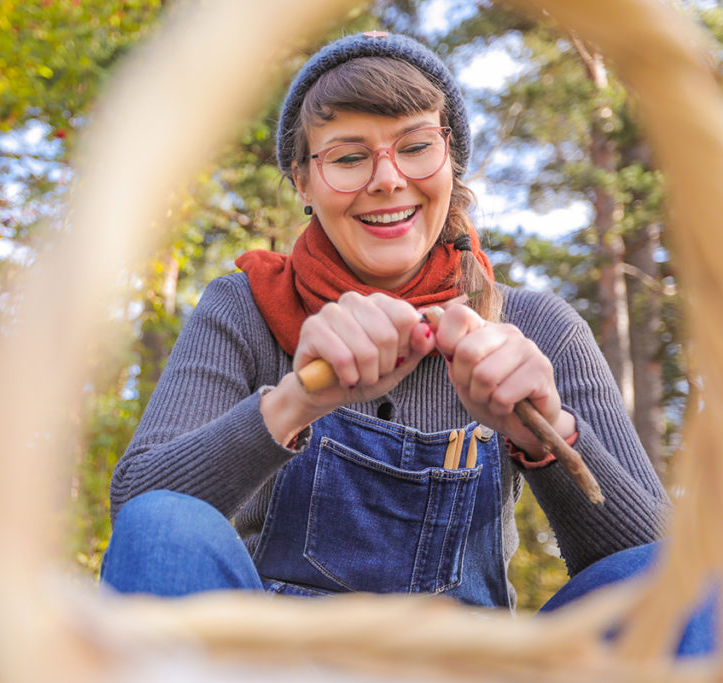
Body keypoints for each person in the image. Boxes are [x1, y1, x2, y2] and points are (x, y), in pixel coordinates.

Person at [100, 31, 714, 654]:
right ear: (303, 183)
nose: (388, 180)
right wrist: (298, 399)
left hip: (471, 666)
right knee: (163, 520)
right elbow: (144, 511)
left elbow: (656, 566)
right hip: (271, 661)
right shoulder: (243, 309)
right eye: (347, 157)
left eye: (416, 147)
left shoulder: (538, 328)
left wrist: (544, 433)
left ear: (450, 162)